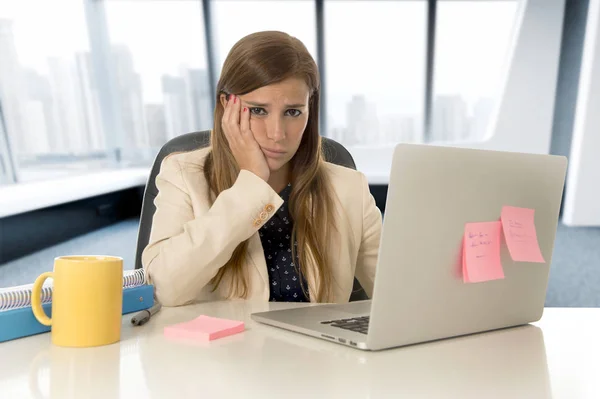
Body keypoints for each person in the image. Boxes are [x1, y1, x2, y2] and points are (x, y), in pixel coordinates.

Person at [142, 31, 382, 307]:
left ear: (309, 110)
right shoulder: (183, 175)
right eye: (258, 110)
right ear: (226, 105)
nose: (277, 134)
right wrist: (252, 185)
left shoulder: (349, 188)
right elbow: (162, 289)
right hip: (222, 350)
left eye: (293, 112)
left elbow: (399, 295)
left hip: (318, 351)